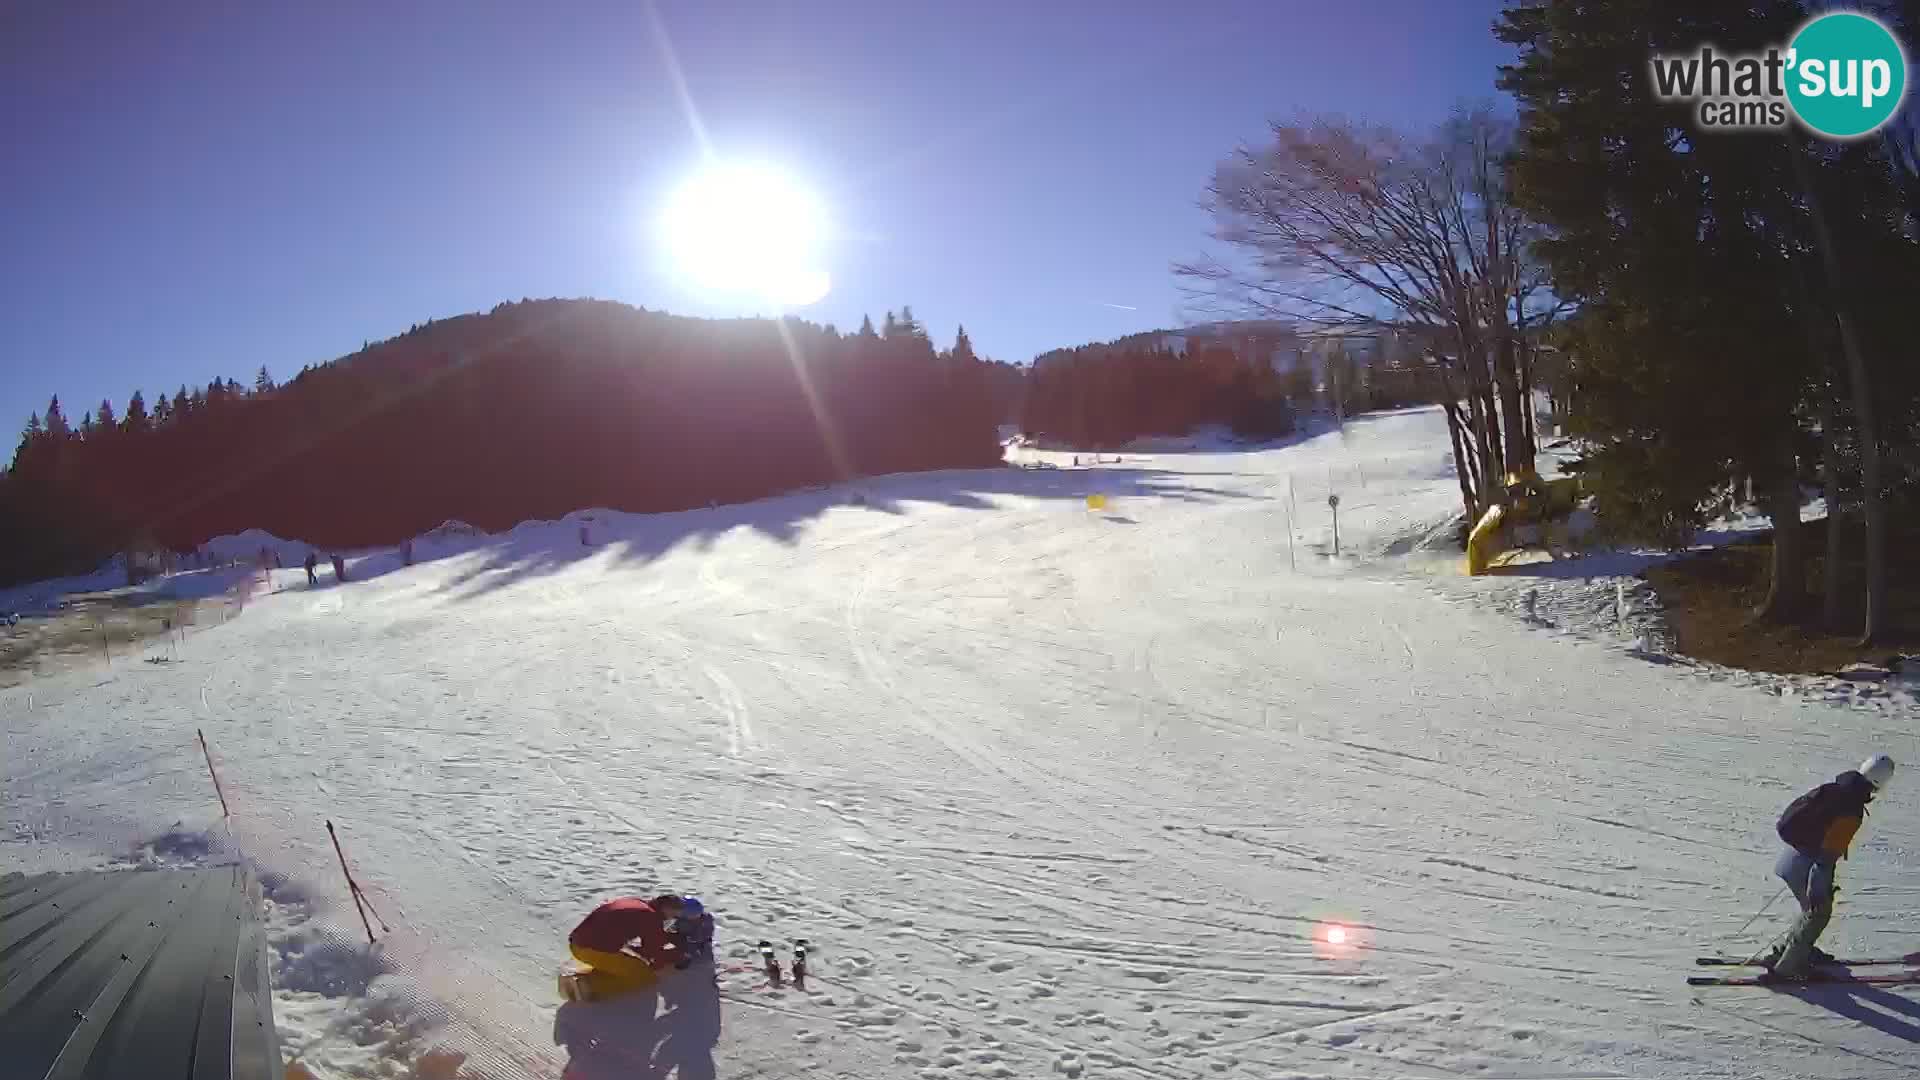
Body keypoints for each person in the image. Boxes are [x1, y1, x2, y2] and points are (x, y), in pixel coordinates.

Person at [1766, 754, 1895, 981]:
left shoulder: (1838, 788)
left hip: (1791, 858)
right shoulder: (1851, 809)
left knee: (1810, 912)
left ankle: (1792, 952)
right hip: (1808, 866)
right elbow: (1827, 856)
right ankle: (1788, 968)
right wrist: (1818, 887)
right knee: (1818, 913)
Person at [568, 895, 687, 994]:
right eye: (674, 914)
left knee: (625, 963)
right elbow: (652, 952)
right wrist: (675, 956)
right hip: (592, 950)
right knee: (644, 976)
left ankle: (584, 978)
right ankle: (589, 988)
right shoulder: (651, 917)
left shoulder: (637, 902)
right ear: (667, 909)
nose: (672, 918)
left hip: (578, 943)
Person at [669, 896, 714, 968]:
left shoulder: (705, 920)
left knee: (693, 948)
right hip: (685, 935)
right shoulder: (682, 919)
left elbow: (706, 932)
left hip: (698, 939)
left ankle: (687, 957)